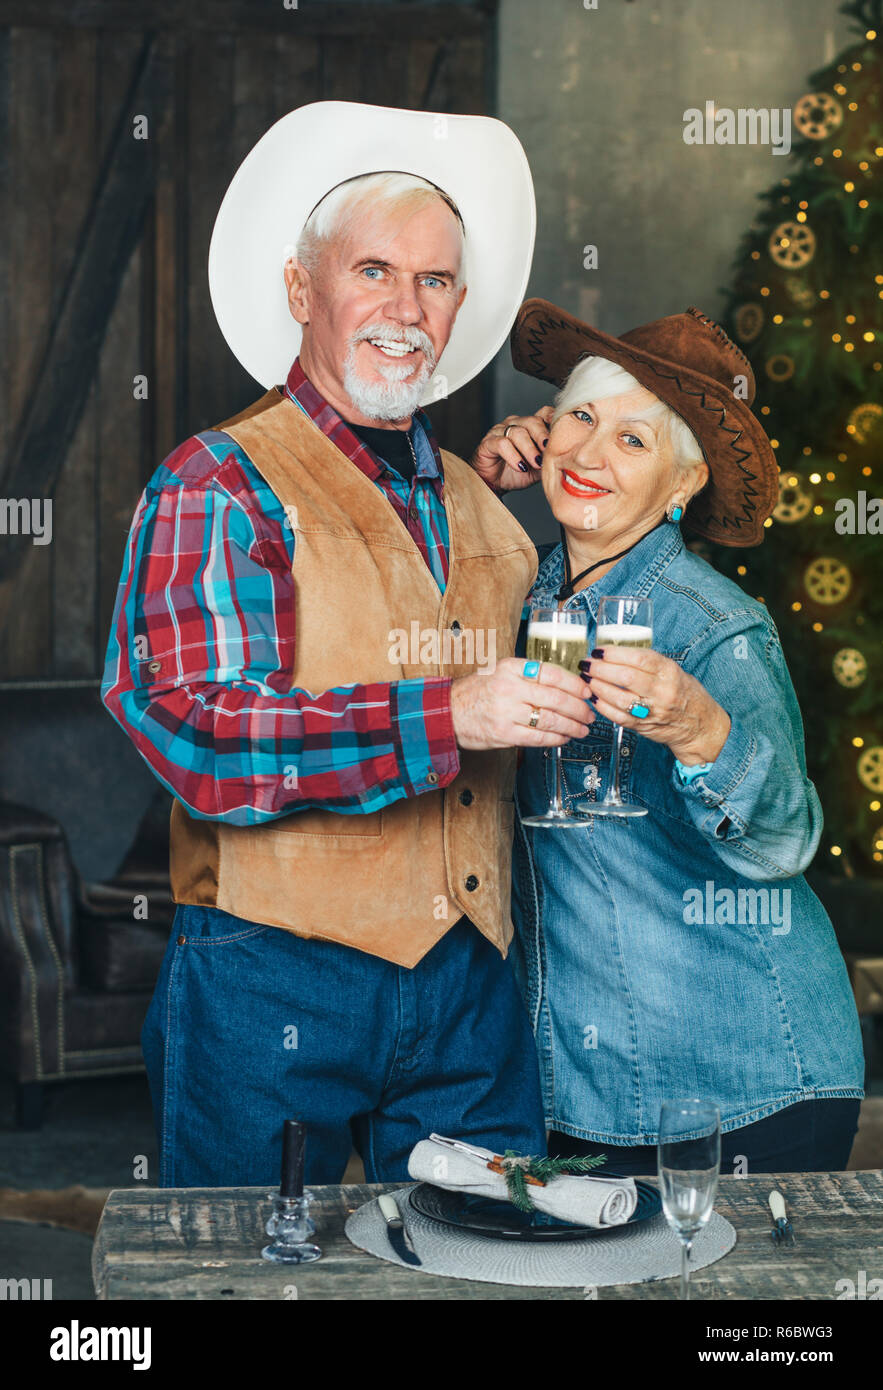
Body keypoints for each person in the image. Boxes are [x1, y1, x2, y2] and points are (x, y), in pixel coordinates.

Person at [102, 105, 595, 1187]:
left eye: (435, 281)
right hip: (268, 977)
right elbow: (203, 733)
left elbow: (571, 675)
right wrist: (449, 715)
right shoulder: (218, 481)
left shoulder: (480, 500)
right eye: (373, 270)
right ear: (300, 292)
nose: (407, 310)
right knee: (249, 1280)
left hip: (471, 983)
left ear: (459, 304)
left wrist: (566, 491)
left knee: (485, 1277)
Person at [470, 297, 865, 1173]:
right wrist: (474, 493)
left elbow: (787, 841)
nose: (588, 454)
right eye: (579, 417)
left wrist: (697, 727)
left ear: (682, 485)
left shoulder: (714, 623)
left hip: (747, 1080)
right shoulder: (520, 593)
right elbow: (411, 631)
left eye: (633, 441)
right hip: (588, 1089)